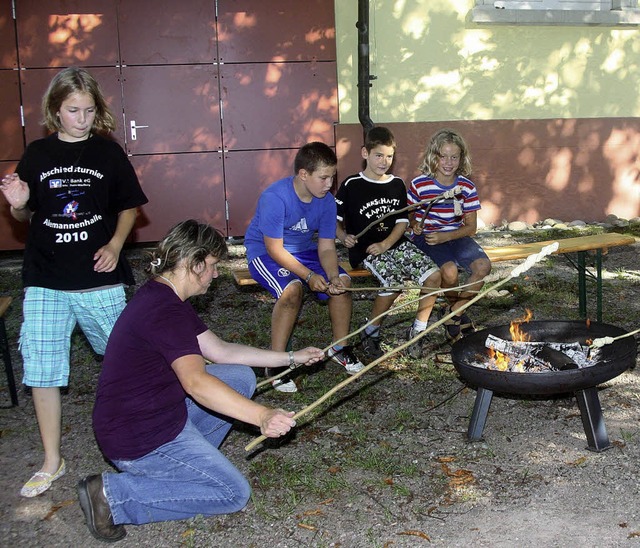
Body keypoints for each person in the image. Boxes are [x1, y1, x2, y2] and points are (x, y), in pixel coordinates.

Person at [79, 220, 324, 542]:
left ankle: (187, 465)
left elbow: (220, 351)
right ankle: (114, 496)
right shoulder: (164, 311)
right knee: (231, 493)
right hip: (138, 439)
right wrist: (262, 416)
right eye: (212, 266)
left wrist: (291, 358)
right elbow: (195, 383)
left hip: (151, 415)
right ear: (194, 263)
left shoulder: (164, 296)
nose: (216, 274)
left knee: (237, 377)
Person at [0, 67, 148, 498]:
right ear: (55, 111)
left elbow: (129, 207)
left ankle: (142, 444)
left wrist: (117, 245)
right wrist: (19, 205)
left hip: (99, 278)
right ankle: (52, 460)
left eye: (88, 110)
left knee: (129, 359)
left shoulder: (108, 154)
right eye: (72, 111)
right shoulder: (37, 154)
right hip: (46, 278)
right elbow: (24, 216)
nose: (81, 119)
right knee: (43, 370)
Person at [244, 142, 364, 393]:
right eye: (323, 178)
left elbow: (327, 247)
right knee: (292, 290)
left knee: (343, 284)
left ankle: (340, 347)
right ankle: (275, 364)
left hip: (304, 251)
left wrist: (332, 275)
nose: (329, 184)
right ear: (303, 174)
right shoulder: (275, 198)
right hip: (265, 252)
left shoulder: (327, 201)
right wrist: (309, 276)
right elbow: (275, 249)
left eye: (332, 177)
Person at [335, 126, 441, 360]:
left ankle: (417, 332)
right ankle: (371, 332)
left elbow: (402, 222)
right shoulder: (352, 185)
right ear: (365, 153)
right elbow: (334, 220)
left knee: (434, 276)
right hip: (366, 249)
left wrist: (387, 243)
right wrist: (344, 237)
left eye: (389, 156)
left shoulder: (396, 184)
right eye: (379, 155)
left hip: (395, 244)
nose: (384, 161)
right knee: (393, 284)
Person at [407, 128, 492, 342]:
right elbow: (409, 216)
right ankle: (455, 315)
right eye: (442, 156)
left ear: (462, 159)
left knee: (483, 267)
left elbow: (470, 227)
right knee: (450, 271)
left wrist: (447, 236)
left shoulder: (466, 186)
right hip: (428, 238)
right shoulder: (420, 185)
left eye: (454, 157)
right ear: (433, 156)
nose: (448, 162)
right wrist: (415, 224)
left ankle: (453, 313)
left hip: (454, 236)